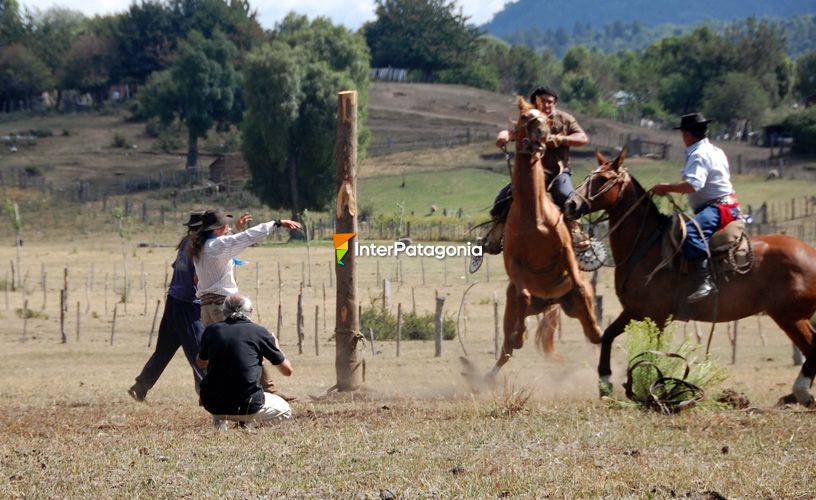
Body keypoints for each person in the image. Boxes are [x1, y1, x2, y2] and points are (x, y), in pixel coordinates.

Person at [188, 208, 301, 400]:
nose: (228, 226)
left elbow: (226, 246)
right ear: (217, 229)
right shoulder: (217, 246)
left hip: (206, 308)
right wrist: (275, 223)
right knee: (251, 344)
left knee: (217, 355)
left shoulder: (201, 247)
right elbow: (247, 237)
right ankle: (266, 391)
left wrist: (234, 232)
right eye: (225, 225)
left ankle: (215, 394)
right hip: (224, 307)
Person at [486, 86, 591, 255]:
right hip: (531, 173)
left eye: (550, 101)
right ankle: (495, 236)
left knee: (567, 197)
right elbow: (513, 132)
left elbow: (582, 138)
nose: (547, 105)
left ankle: (577, 233)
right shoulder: (529, 118)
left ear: (555, 102)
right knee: (502, 199)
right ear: (536, 102)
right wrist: (504, 135)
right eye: (542, 101)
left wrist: (558, 139)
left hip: (557, 172)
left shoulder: (565, 119)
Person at [650, 112, 740, 303]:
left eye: (683, 132)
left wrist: (667, 188)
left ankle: (704, 281)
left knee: (690, 232)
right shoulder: (715, 150)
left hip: (718, 208)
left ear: (688, 134)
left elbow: (693, 185)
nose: (682, 137)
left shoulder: (698, 154)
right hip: (722, 205)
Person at [128, 210, 207, 402]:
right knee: (198, 350)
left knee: (165, 348)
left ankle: (141, 386)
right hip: (188, 304)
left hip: (173, 300)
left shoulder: (185, 243)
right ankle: (206, 392)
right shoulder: (200, 245)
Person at [196, 294, 293, 429]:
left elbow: (200, 363)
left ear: (224, 311)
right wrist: (277, 348)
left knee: (220, 383)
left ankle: (224, 425)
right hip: (248, 405)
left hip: (212, 404)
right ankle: (247, 423)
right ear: (250, 311)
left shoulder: (212, 330)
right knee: (286, 410)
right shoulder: (259, 332)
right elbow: (287, 371)